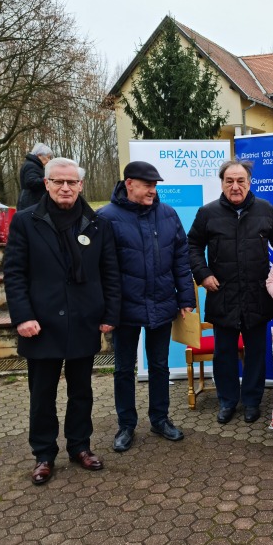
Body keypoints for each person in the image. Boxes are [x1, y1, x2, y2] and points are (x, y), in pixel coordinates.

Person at [3, 157, 121, 485]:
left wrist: (110, 313)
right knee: (42, 394)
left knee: (81, 391)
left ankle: (80, 446)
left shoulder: (97, 223)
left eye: (71, 182)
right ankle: (44, 454)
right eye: (58, 181)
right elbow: (14, 273)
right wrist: (23, 316)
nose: (65, 187)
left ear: (81, 185)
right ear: (47, 184)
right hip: (41, 324)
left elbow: (110, 272)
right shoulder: (26, 221)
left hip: (84, 319)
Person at [98, 161, 196, 453]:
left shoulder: (168, 214)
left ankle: (160, 419)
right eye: (147, 185)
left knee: (159, 366)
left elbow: (180, 258)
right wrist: (106, 310)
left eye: (155, 185)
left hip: (162, 303)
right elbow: (100, 268)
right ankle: (126, 425)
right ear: (129, 184)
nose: (153, 190)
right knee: (123, 369)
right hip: (124, 309)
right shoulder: (105, 217)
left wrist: (186, 298)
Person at [187, 159, 273, 424]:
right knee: (224, 354)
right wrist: (203, 273)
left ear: (249, 183)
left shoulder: (265, 209)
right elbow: (192, 245)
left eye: (240, 181)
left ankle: (252, 402)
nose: (235, 186)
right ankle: (227, 401)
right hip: (223, 295)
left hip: (257, 295)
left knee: (255, 352)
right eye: (229, 181)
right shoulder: (207, 213)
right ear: (222, 183)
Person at [17, 143, 54, 210]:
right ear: (39, 155)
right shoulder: (31, 165)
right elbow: (32, 182)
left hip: (31, 200)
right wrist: (48, 179)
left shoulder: (35, 165)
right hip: (30, 201)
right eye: (48, 157)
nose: (49, 160)